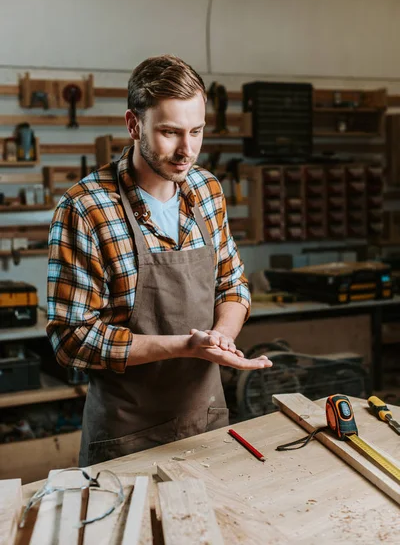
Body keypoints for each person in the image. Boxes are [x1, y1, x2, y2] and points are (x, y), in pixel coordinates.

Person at [47, 54, 272, 466]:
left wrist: (220, 338)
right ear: (134, 125)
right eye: (169, 132)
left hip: (206, 423)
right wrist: (186, 346)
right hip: (124, 438)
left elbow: (232, 284)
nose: (187, 151)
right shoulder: (86, 207)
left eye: (197, 131)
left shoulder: (206, 189)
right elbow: (71, 339)